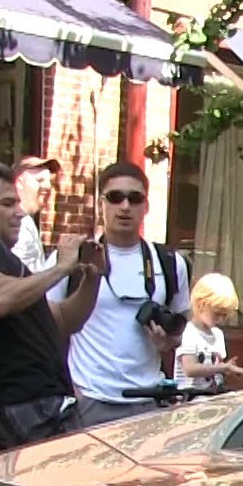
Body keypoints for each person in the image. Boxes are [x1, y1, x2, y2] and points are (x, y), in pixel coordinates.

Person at [0, 159, 99, 453]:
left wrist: (92, 277)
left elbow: (64, 320)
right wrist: (61, 268)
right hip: (21, 403)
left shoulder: (7, 263)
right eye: (6, 203)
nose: (19, 212)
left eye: (17, 202)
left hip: (34, 404)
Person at [47, 162, 189, 427]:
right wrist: (67, 389)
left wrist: (168, 342)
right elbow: (44, 327)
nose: (125, 206)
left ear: (146, 206)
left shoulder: (169, 262)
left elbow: (181, 329)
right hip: (89, 401)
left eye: (135, 199)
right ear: (101, 204)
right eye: (115, 197)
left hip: (149, 401)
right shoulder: (71, 259)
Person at [175, 273, 243, 392]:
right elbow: (190, 369)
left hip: (213, 395)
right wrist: (223, 367)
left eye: (225, 315)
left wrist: (227, 369)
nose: (221, 320)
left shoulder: (217, 334)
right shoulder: (189, 332)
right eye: (217, 314)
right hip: (191, 397)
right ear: (201, 305)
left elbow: (216, 369)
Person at [10, 155, 61, 272]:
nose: (48, 186)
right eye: (39, 180)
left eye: (50, 182)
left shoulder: (25, 220)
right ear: (19, 182)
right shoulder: (14, 224)